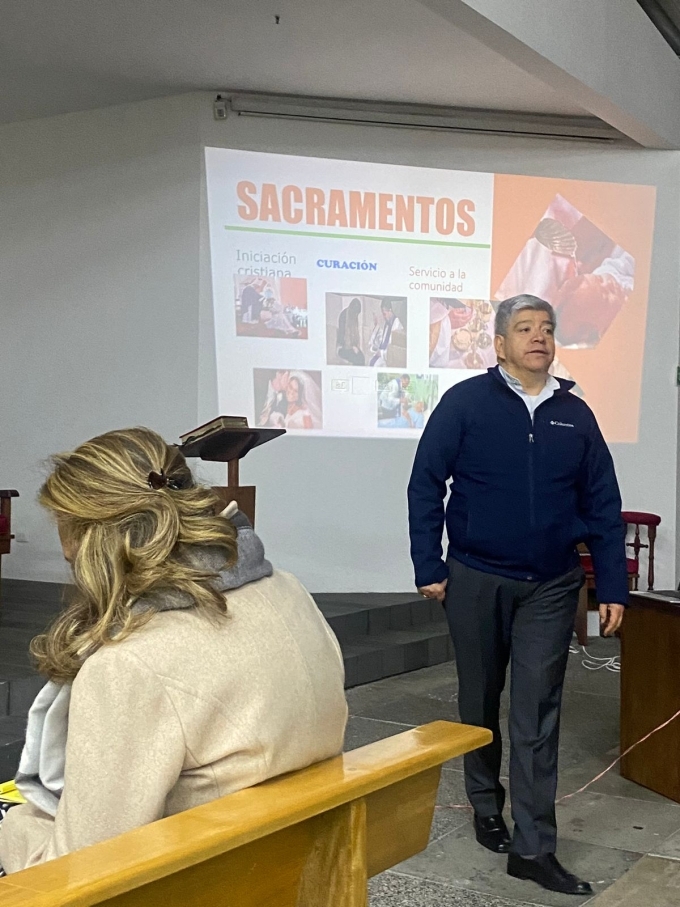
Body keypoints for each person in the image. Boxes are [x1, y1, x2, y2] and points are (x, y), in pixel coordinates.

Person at [0, 428, 347, 873]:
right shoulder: (286, 590)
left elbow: (81, 871)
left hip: (202, 881)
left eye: (69, 546)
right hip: (287, 862)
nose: (68, 558)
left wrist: (14, 825)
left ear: (96, 545)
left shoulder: (129, 665)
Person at [407, 294, 627, 897]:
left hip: (552, 586)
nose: (539, 337)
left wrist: (610, 583)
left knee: (536, 713)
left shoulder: (575, 414)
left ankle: (533, 847)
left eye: (548, 328)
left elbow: (603, 505)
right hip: (476, 576)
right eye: (525, 328)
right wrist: (429, 562)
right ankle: (485, 804)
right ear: (499, 344)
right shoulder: (465, 403)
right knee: (479, 699)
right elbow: (426, 483)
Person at [369, 300, 404, 367]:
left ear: (390, 311)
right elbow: (383, 341)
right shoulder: (387, 324)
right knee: (371, 361)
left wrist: (381, 353)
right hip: (383, 354)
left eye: (384, 314)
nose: (384, 317)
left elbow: (393, 347)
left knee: (376, 365)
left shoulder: (397, 324)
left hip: (389, 358)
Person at [336, 298, 365, 365]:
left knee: (361, 357)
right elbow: (344, 335)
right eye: (356, 314)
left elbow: (355, 333)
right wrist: (352, 347)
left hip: (352, 346)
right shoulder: (344, 316)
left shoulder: (353, 316)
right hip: (343, 347)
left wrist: (356, 347)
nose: (356, 315)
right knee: (357, 359)